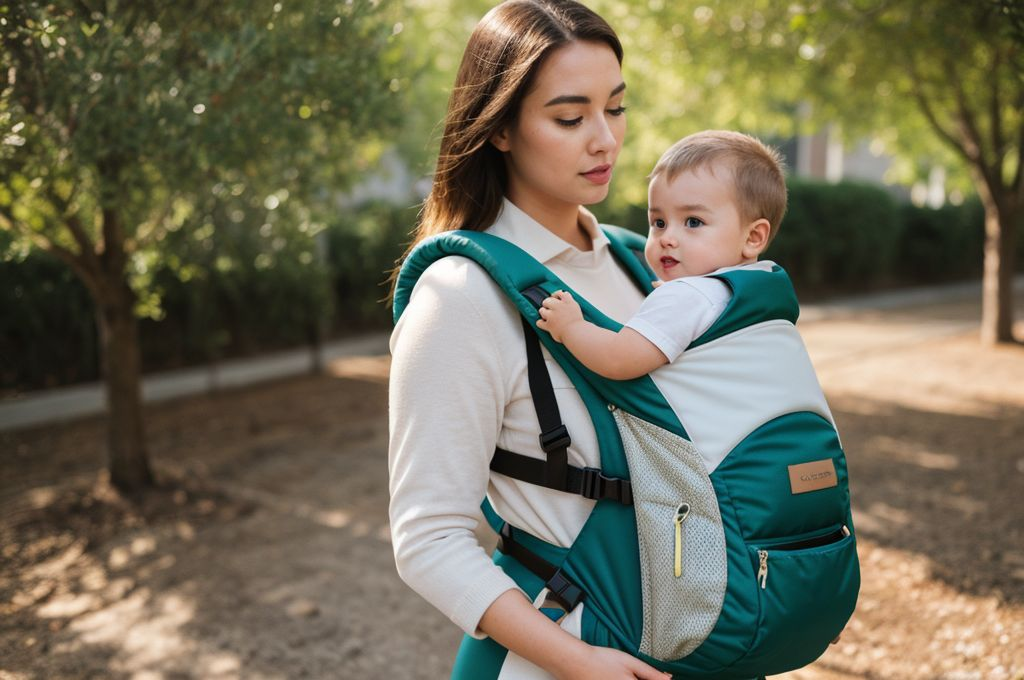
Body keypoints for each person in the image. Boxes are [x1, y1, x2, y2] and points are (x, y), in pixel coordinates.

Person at [388, 1, 671, 678]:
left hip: (687, 638)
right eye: (570, 118)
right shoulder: (462, 298)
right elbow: (428, 538)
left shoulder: (644, 266)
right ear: (501, 129)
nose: (604, 139)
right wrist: (578, 662)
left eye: (617, 108)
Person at [535, 130, 785, 381]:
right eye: (659, 222)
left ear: (753, 237)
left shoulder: (687, 297)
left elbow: (618, 360)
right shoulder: (762, 288)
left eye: (694, 222)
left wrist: (571, 327)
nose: (666, 238)